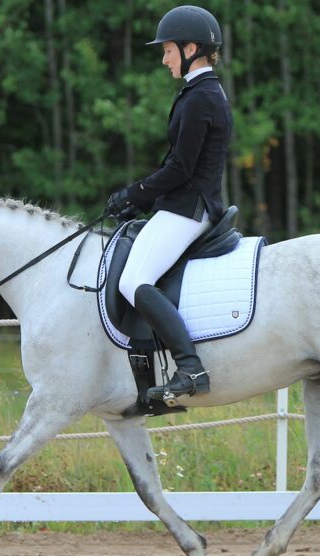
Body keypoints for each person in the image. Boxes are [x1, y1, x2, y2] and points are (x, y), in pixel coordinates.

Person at [105, 5, 232, 403]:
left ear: (191, 48)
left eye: (168, 51)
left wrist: (134, 194)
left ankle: (190, 367)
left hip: (189, 209)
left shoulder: (201, 98)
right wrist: (144, 202)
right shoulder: (199, 93)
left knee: (132, 281)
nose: (164, 59)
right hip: (181, 203)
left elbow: (180, 167)